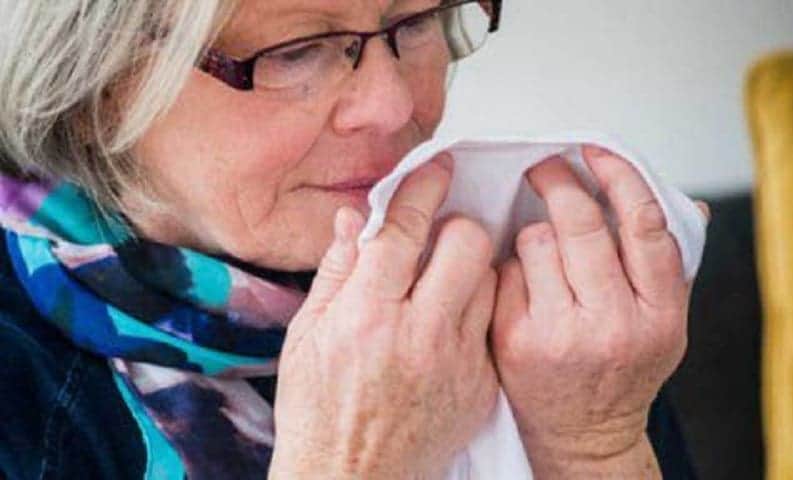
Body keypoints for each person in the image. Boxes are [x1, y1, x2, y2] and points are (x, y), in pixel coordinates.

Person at [0, 1, 705, 478]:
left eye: (416, 20)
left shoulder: (551, 315)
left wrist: (594, 448)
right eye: (298, 51)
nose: (394, 105)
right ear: (94, 89)